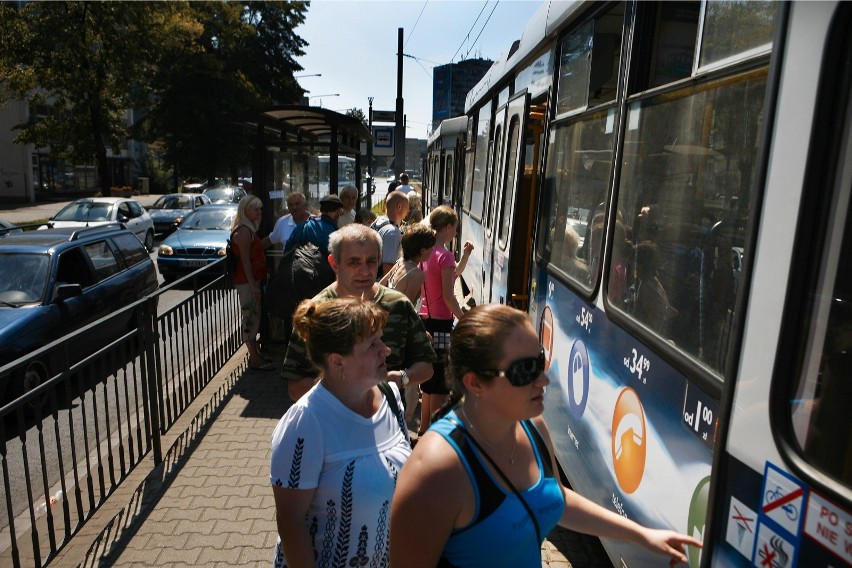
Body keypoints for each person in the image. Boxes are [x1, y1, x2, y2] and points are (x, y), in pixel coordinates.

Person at [390, 304, 703, 567]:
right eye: (526, 370)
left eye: (540, 361)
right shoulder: (436, 470)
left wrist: (642, 535)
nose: (544, 379)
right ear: (475, 383)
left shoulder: (533, 426)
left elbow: (555, 500)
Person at [270, 298, 411, 568]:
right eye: (373, 345)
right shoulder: (306, 422)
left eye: (381, 340)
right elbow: (290, 522)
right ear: (337, 362)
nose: (386, 350)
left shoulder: (391, 397)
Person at [280, 223, 436, 402]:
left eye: (371, 261)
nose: (364, 271)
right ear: (334, 263)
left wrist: (403, 377)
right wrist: (350, 391)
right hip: (333, 426)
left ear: (380, 258)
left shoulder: (398, 305)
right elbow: (295, 387)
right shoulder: (315, 313)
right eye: (353, 262)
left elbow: (426, 366)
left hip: (385, 423)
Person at [418, 205, 473, 433]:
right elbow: (449, 297)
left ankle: (422, 429)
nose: (456, 233)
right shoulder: (446, 256)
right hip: (441, 323)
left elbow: (449, 277)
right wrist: (465, 319)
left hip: (425, 320)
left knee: (429, 381)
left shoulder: (425, 253)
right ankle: (435, 434)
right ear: (448, 227)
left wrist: (466, 257)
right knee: (440, 380)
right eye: (455, 228)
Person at [380, 222, 437, 425]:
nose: (433, 251)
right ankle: (402, 428)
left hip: (385, 328)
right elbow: (408, 311)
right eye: (431, 247)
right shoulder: (416, 274)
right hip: (400, 334)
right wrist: (422, 333)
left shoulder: (399, 265)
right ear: (422, 250)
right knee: (411, 392)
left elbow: (380, 287)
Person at [230, 194, 273, 370]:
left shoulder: (248, 229)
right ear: (245, 210)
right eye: (255, 209)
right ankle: (255, 359)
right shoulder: (244, 232)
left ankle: (256, 356)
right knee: (250, 318)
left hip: (251, 280)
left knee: (253, 317)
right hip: (247, 282)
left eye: (260, 209)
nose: (259, 212)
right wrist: (253, 285)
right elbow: (246, 261)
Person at [371, 190, 410, 276]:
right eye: (407, 207)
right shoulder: (393, 233)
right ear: (399, 207)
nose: (408, 210)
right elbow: (388, 267)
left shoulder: (378, 221)